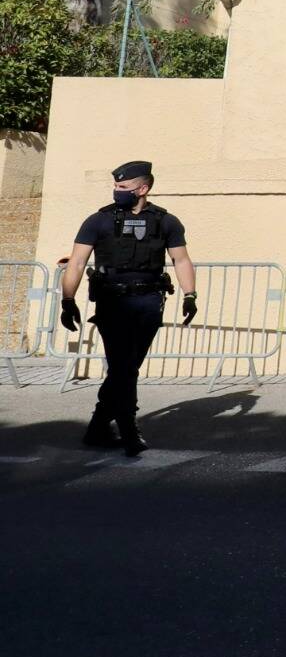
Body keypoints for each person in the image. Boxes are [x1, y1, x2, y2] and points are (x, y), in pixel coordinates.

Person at [59, 160, 196, 456]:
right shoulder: (98, 220)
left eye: (123, 187)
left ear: (143, 188)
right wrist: (67, 300)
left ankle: (97, 426)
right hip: (113, 302)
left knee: (128, 366)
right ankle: (128, 427)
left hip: (148, 302)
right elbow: (77, 262)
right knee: (124, 366)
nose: (116, 191)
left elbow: (181, 260)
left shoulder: (165, 221)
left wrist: (190, 295)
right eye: (116, 186)